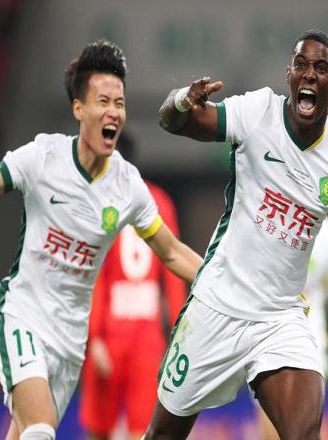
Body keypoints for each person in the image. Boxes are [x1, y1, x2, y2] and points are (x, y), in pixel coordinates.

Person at [145, 29, 328, 440]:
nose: (309, 74)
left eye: (320, 68)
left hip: (279, 318)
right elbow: (173, 122)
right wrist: (183, 99)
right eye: (301, 65)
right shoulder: (257, 113)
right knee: (163, 435)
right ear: (289, 75)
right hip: (217, 305)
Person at [0, 39, 203, 440]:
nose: (113, 112)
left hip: (70, 342)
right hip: (24, 317)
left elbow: (173, 252)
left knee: (27, 430)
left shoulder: (127, 185)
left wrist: (233, 287)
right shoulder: (43, 158)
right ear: (79, 108)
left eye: (120, 103)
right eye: (103, 101)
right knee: (40, 428)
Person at [79, 134, 187, 440]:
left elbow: (96, 276)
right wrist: (180, 334)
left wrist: (94, 337)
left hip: (112, 331)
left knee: (100, 430)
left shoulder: (99, 203)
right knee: (144, 429)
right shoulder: (160, 201)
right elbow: (173, 273)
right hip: (147, 335)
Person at [258, 216, 328, 439]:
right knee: (272, 432)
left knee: (307, 429)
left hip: (311, 349)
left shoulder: (327, 232)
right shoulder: (266, 220)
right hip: (266, 346)